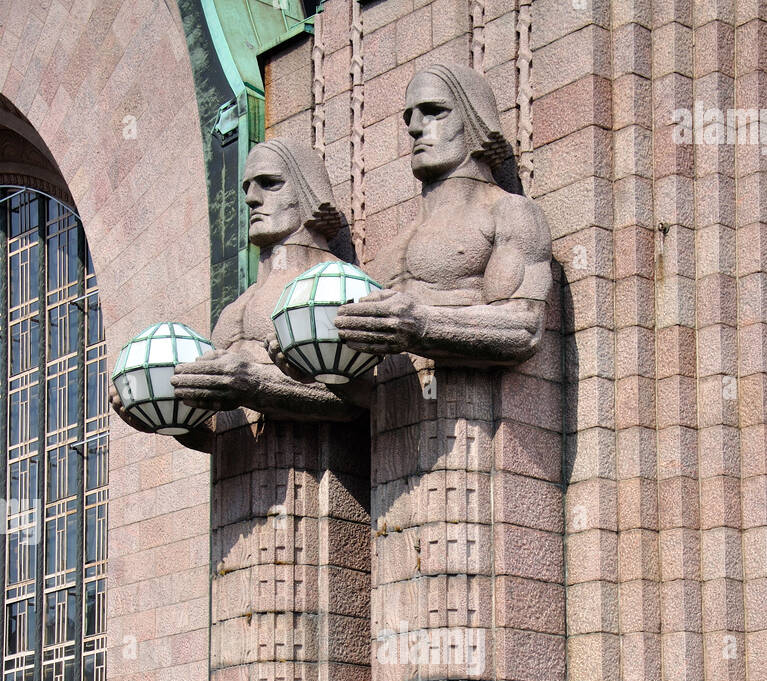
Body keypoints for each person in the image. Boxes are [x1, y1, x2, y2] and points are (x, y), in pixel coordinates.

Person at [110, 138, 363, 442]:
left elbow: (356, 399)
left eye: (269, 183)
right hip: (234, 483)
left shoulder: (334, 282)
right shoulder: (238, 306)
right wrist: (168, 416)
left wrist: (254, 382)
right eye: (247, 188)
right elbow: (226, 430)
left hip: (308, 471)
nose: (251, 199)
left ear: (307, 188)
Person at [336, 63, 552, 367]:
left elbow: (524, 326)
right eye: (409, 116)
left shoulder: (509, 211)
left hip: (473, 409)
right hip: (391, 414)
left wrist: (421, 324)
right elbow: (367, 385)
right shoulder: (390, 252)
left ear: (475, 118)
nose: (414, 127)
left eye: (433, 111)